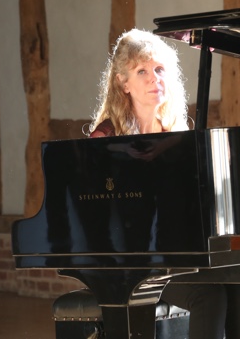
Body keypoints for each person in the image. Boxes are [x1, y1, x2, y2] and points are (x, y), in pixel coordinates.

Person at [88, 28, 228, 339]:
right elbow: (97, 220)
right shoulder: (105, 140)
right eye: (142, 71)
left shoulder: (177, 137)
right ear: (123, 83)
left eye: (160, 69)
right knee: (210, 293)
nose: (155, 78)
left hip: (175, 257)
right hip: (130, 265)